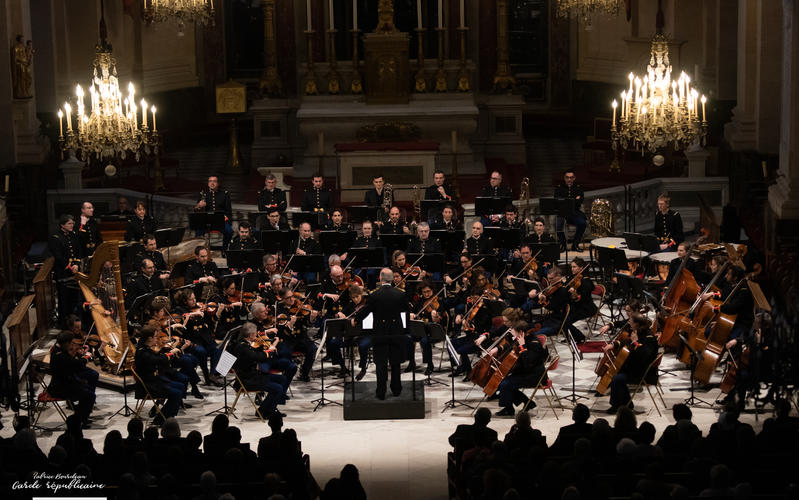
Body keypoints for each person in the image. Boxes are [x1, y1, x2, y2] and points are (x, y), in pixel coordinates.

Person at [352, 268, 410, 399]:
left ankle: (381, 392)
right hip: (396, 331)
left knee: (381, 363)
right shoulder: (400, 294)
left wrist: (356, 319)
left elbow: (366, 310)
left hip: (380, 332)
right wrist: (406, 330)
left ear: (380, 278)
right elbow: (406, 311)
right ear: (392, 279)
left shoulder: (374, 295)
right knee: (395, 362)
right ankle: (396, 389)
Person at [603, 313, 658, 413]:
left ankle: (616, 406)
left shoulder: (649, 337)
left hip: (645, 372)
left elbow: (643, 356)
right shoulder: (639, 331)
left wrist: (635, 342)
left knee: (617, 378)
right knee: (616, 373)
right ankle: (627, 404)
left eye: (631, 321)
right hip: (636, 368)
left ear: (637, 324)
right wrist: (614, 345)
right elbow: (627, 342)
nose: (629, 323)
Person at [134, 326, 187, 425]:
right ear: (149, 338)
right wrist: (170, 353)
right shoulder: (142, 352)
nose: (157, 339)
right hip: (148, 385)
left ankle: (170, 416)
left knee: (181, 386)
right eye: (155, 337)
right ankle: (160, 419)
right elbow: (156, 360)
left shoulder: (146, 348)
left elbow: (157, 356)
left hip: (154, 380)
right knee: (176, 393)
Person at [231, 322, 285, 418]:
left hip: (253, 375)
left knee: (282, 379)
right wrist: (269, 351)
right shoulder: (242, 347)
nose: (257, 335)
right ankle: (266, 412)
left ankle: (265, 409)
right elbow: (257, 357)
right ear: (251, 335)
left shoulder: (244, 343)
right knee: (277, 388)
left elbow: (253, 352)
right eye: (256, 333)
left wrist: (262, 347)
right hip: (248, 380)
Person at [494, 322, 548, 416]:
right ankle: (528, 402)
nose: (511, 333)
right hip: (526, 372)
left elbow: (528, 362)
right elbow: (511, 345)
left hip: (535, 375)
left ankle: (509, 410)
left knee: (505, 384)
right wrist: (498, 349)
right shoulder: (523, 338)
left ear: (521, 332)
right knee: (502, 382)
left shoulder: (533, 343)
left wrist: (523, 346)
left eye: (513, 331)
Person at [48, 331, 97, 428]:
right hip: (60, 388)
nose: (72, 345)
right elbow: (76, 364)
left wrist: (79, 353)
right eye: (71, 343)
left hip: (66, 382)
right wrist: (86, 357)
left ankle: (81, 417)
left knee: (88, 390)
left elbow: (71, 360)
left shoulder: (57, 348)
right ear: (66, 343)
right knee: (90, 395)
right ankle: (80, 420)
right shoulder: (59, 355)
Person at [49, 214, 83, 319]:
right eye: (69, 223)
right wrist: (70, 267)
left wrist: (77, 265)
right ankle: (64, 321)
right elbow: (58, 256)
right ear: (62, 225)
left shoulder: (73, 235)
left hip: (74, 271)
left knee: (74, 297)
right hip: (63, 272)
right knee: (64, 298)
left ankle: (75, 319)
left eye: (73, 223)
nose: (72, 225)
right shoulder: (56, 238)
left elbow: (78, 253)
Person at [408, 281, 445, 375]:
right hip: (421, 330)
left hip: (434, 332)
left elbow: (441, 319)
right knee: (408, 338)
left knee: (425, 340)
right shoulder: (420, 302)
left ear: (432, 290)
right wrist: (411, 314)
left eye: (428, 291)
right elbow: (413, 311)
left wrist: (435, 316)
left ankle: (430, 365)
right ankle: (411, 362)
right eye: (424, 292)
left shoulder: (439, 302)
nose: (426, 294)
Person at [194, 175, 233, 249]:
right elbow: (196, 210)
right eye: (210, 181)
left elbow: (228, 211)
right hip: (207, 222)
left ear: (218, 183)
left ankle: (224, 249)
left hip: (221, 221)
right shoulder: (203, 194)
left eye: (214, 181)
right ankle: (199, 250)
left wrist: (226, 218)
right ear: (208, 183)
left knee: (229, 231)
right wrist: (199, 205)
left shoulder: (224, 194)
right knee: (198, 231)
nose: (212, 183)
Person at [554, 169, 587, 252]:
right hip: (562, 213)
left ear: (574, 178)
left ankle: (575, 245)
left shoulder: (578, 188)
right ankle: (563, 245)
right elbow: (557, 201)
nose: (569, 179)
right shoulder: (559, 188)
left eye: (571, 177)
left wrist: (566, 200)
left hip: (574, 213)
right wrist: (574, 200)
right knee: (558, 225)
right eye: (567, 177)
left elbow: (580, 201)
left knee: (583, 223)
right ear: (564, 178)